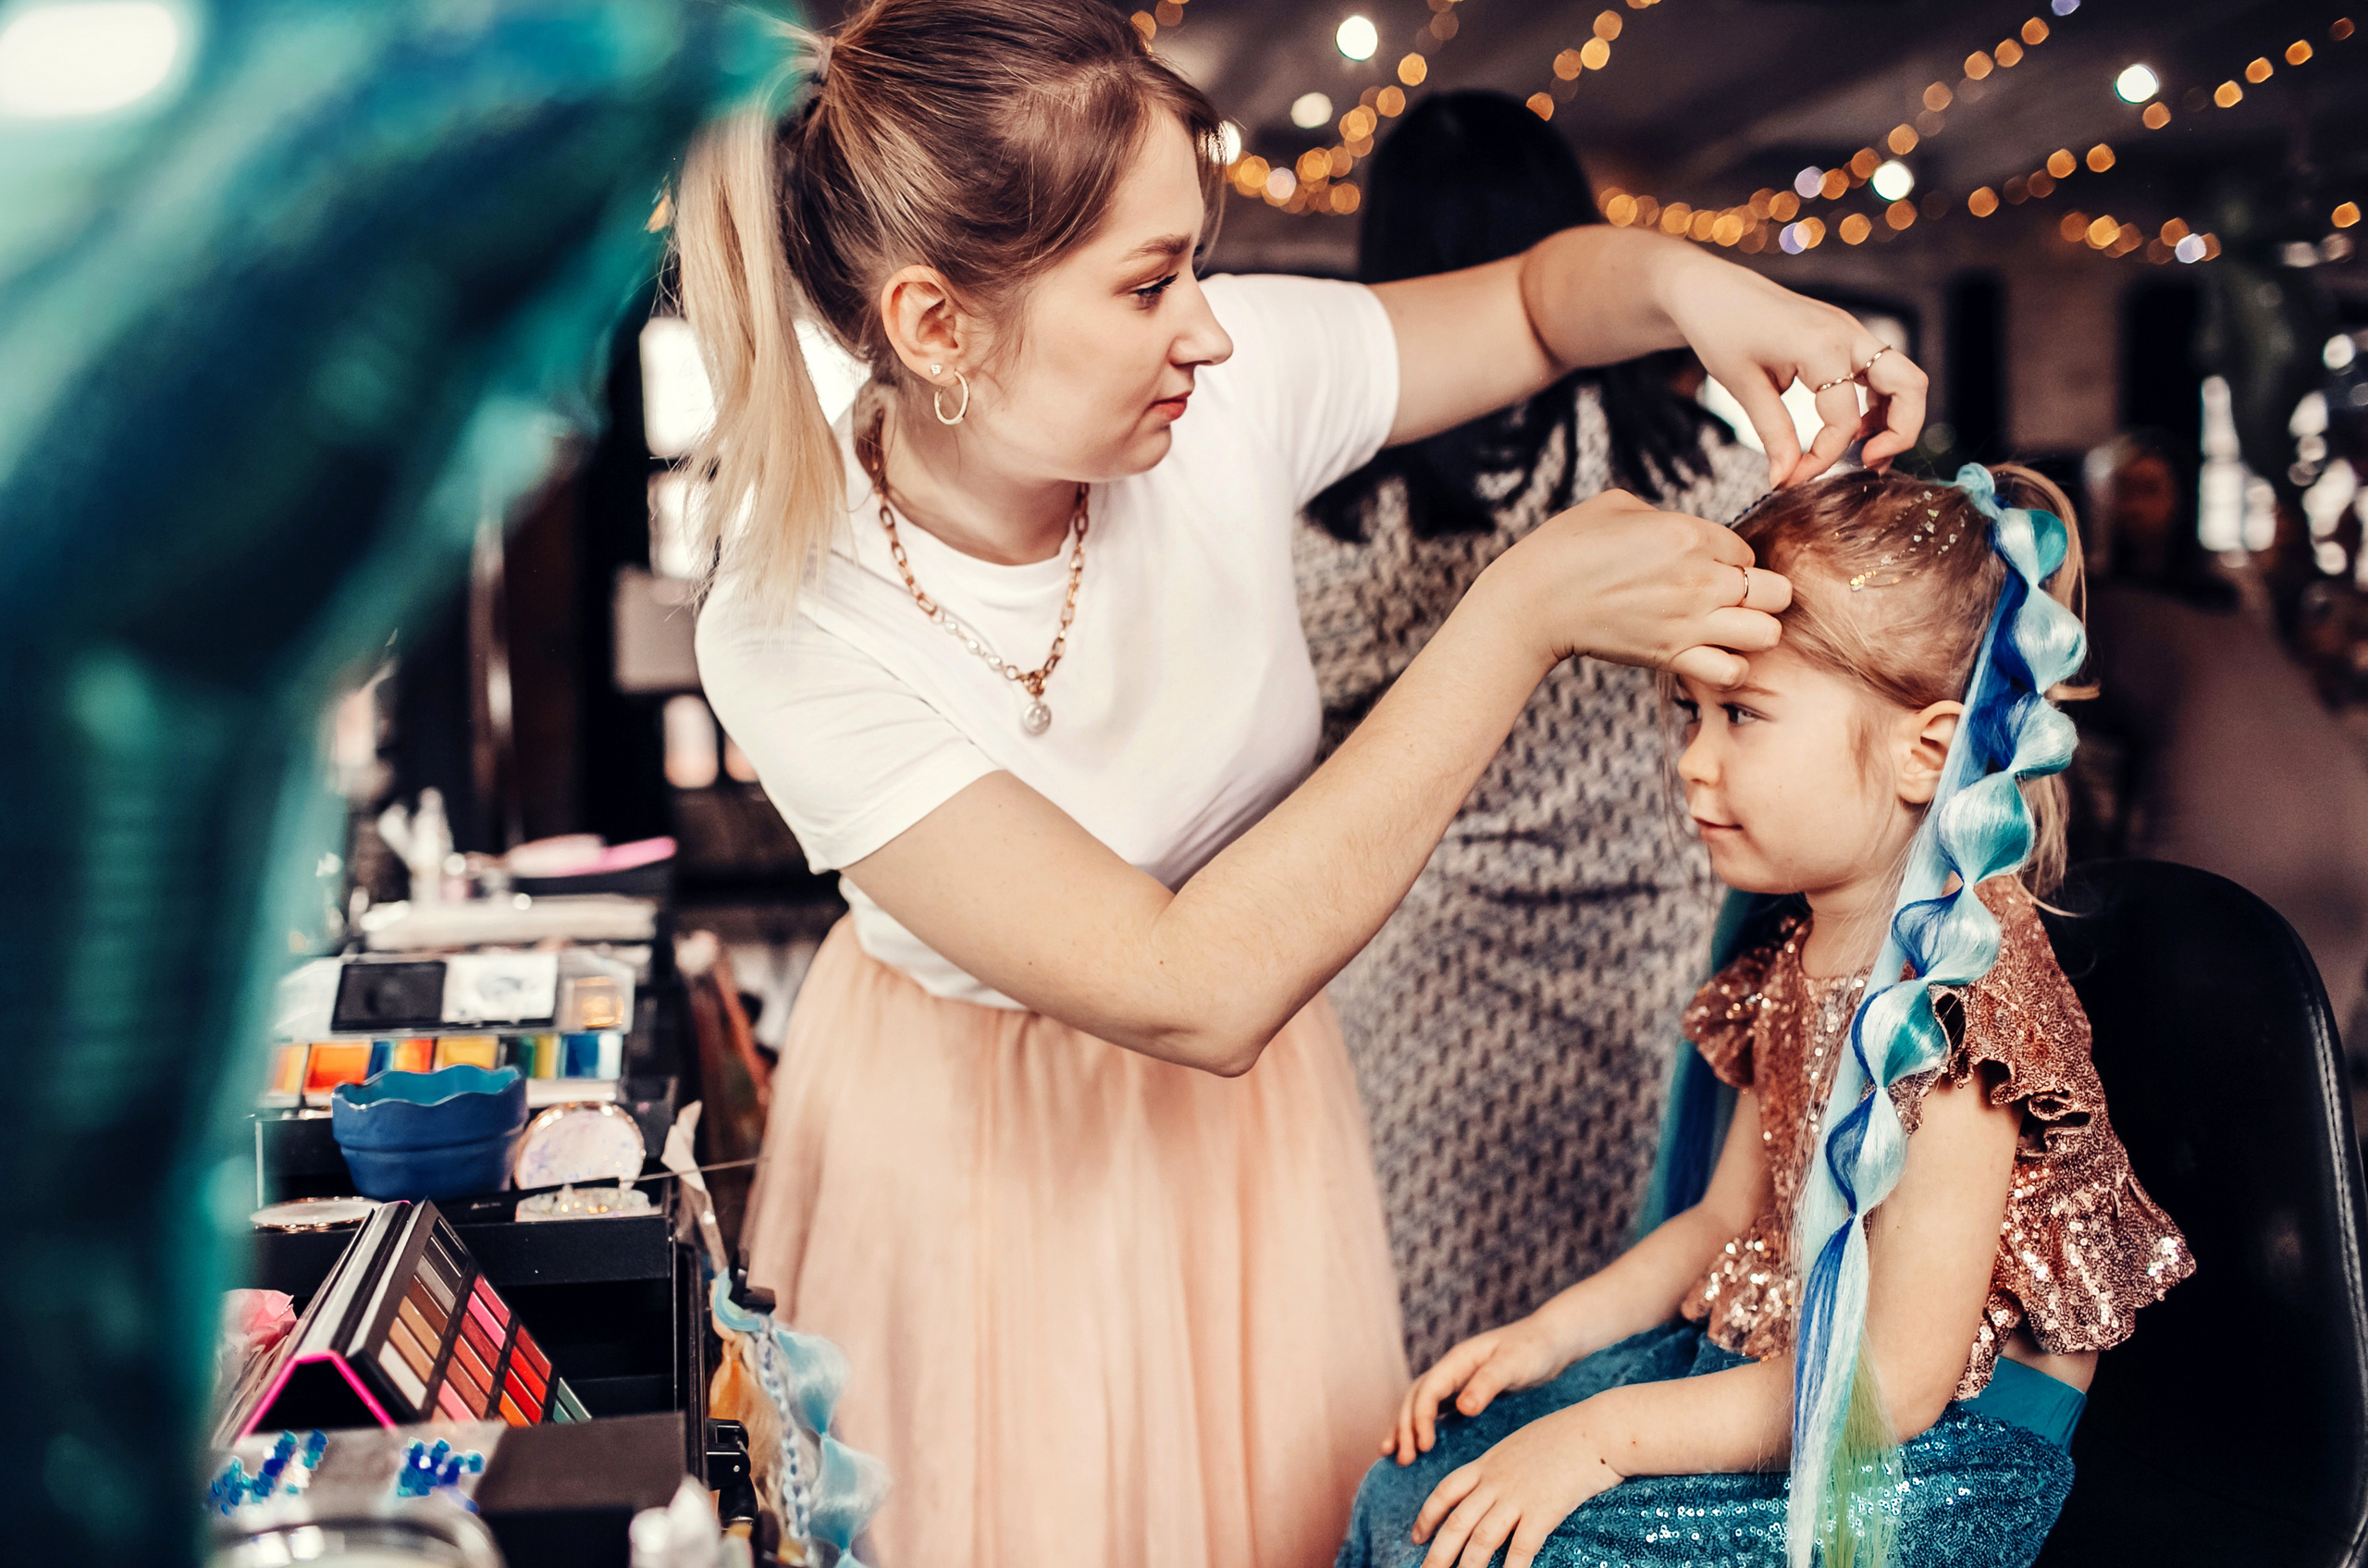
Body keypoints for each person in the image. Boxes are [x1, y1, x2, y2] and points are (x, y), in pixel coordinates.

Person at [678, 4, 1926, 1562]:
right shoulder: (791, 619)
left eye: (1196, 267)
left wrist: (1695, 288)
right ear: (938, 327)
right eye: (1149, 284)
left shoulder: (1229, 389)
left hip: (1249, 1133)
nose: (1209, 331)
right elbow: (1184, 983)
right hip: (973, 1139)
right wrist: (1521, 610)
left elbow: (1536, 303)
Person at [1340, 467, 2191, 1568]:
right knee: (1412, 1489)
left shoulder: (1962, 1011)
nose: (1693, 764)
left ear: (1926, 752)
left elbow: (1893, 1387)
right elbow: (1719, 1222)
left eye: (1741, 715)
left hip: (1923, 1459)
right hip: (1785, 1371)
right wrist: (1545, 1340)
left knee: (1520, 1550)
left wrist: (1597, 1438)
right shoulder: (1796, 950)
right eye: (1689, 714)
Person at [1295, 90, 1767, 1373]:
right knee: (1631, 1349)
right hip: (1661, 975)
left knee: (1427, 1365)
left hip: (1416, 994)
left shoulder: (1333, 517)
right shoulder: (1709, 484)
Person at [2078, 432, 2368, 1046]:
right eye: (2122, 489)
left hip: (2289, 834)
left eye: (2149, 488)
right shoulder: (2124, 608)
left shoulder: (2217, 601)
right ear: (2097, 498)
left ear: (2181, 497)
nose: (2134, 506)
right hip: (2308, 829)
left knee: (2243, 1041)